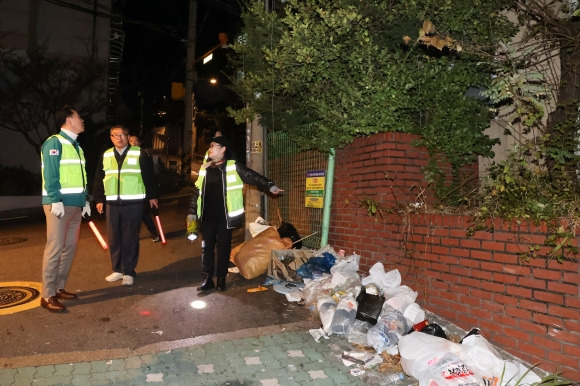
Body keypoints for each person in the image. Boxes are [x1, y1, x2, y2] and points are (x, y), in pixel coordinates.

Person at [187, 136, 283, 292]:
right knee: (207, 248)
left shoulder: (233, 166)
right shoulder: (204, 168)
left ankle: (221, 279)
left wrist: (269, 185)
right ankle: (207, 279)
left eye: (213, 145)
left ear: (223, 149)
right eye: (210, 145)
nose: (210, 148)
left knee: (223, 248)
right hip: (207, 216)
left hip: (225, 217)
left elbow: (252, 176)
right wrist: (192, 212)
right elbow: (196, 191)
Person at [93, 125, 159, 286]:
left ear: (128, 136)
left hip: (133, 203)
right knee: (114, 238)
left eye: (122, 134)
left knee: (130, 238)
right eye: (115, 135)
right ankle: (117, 270)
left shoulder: (139, 153)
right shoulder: (106, 155)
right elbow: (99, 177)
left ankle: (129, 271)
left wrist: (153, 197)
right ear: (111, 138)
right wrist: (99, 199)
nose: (119, 138)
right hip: (112, 203)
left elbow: (149, 176)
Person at [40, 105, 91, 312]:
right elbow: (51, 173)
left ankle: (59, 288)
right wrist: (54, 199)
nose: (82, 120)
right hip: (58, 205)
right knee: (55, 248)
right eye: (79, 116)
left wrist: (84, 200)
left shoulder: (76, 146)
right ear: (69, 120)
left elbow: (80, 177)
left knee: (69, 248)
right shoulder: (55, 142)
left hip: (75, 204)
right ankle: (47, 295)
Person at [129, 134, 160, 242]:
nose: (134, 143)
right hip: (129, 191)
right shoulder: (125, 156)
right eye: (131, 141)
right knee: (132, 214)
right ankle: (133, 235)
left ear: (140, 143)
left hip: (141, 190)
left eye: (136, 141)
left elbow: (150, 175)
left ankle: (153, 232)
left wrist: (152, 194)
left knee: (142, 213)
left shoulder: (143, 155)